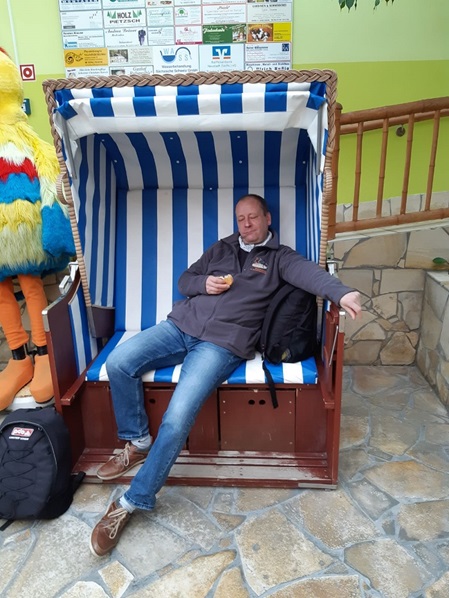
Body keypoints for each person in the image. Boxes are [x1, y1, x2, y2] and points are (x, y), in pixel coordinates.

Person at [90, 194, 361, 557]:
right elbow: (185, 280)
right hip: (181, 326)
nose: (246, 225)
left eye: (253, 218)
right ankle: (138, 442)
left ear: (267, 218)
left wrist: (342, 294)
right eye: (240, 219)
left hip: (222, 345)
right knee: (120, 362)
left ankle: (130, 502)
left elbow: (311, 276)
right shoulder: (222, 248)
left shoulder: (280, 258)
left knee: (177, 418)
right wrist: (205, 284)